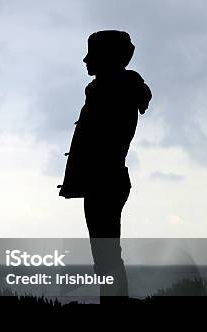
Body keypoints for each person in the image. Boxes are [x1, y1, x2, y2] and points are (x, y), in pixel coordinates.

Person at [58, 30, 152, 299]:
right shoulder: (109, 89)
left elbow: (102, 141)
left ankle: (114, 301)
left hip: (105, 181)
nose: (86, 60)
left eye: (93, 54)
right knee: (105, 251)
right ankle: (113, 300)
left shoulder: (111, 91)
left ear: (108, 58)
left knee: (105, 252)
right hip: (105, 180)